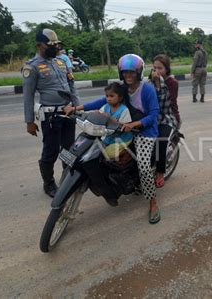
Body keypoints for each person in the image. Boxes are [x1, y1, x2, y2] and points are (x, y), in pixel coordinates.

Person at [64, 54, 161, 224]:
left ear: (139, 72)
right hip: (119, 129)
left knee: (144, 167)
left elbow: (154, 115)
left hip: (144, 132)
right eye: (125, 72)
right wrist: (77, 107)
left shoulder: (147, 89)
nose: (128, 75)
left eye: (132, 72)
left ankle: (152, 202)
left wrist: (135, 124)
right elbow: (104, 100)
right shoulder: (122, 88)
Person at [22, 28, 79, 198]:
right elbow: (28, 96)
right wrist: (29, 122)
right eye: (50, 45)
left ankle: (67, 178)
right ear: (39, 45)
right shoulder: (31, 67)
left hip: (68, 113)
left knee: (68, 149)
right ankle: (48, 183)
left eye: (56, 45)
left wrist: (78, 108)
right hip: (51, 116)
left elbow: (72, 87)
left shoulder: (61, 62)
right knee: (51, 150)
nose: (55, 49)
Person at [68, 82, 133, 160]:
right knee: (94, 151)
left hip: (122, 138)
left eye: (112, 96)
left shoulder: (124, 110)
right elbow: (100, 114)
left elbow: (125, 126)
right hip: (108, 137)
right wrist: (96, 114)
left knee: (109, 154)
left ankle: (126, 154)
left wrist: (110, 118)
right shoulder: (105, 107)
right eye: (107, 96)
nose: (108, 98)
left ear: (120, 97)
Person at [150, 54, 180, 188]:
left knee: (160, 141)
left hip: (166, 116)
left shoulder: (172, 83)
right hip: (151, 116)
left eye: (160, 68)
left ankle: (160, 172)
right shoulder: (149, 80)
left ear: (167, 69)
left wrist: (158, 83)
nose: (157, 71)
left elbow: (168, 103)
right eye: (154, 67)